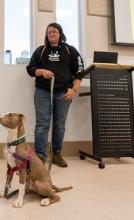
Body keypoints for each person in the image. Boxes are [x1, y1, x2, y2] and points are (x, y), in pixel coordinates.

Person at [26, 22, 84, 168]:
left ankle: (56, 154)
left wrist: (74, 90)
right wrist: (41, 71)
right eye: (49, 32)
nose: (51, 34)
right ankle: (40, 156)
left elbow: (79, 70)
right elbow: (30, 68)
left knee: (59, 124)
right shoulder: (40, 50)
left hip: (64, 92)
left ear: (60, 34)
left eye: (55, 31)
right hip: (42, 92)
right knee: (42, 124)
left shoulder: (70, 50)